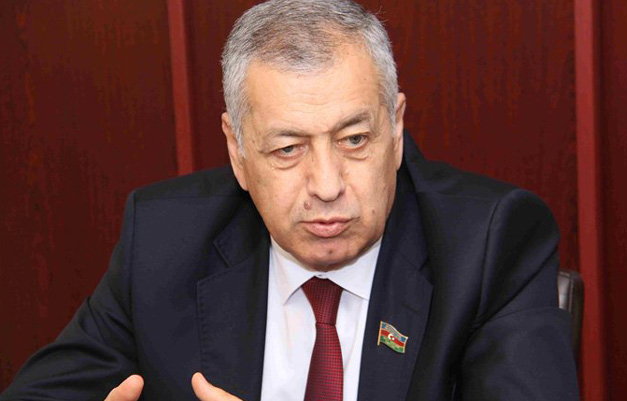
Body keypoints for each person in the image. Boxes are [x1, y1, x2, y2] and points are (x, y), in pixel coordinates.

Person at [0, 0, 579, 400]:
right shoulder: (163, 240)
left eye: (355, 140)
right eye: (287, 149)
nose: (327, 185)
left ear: (397, 127)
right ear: (237, 150)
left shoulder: (489, 244)